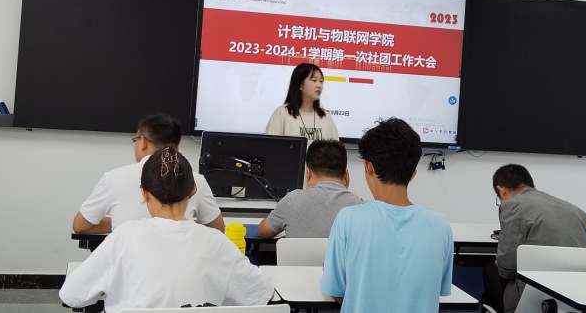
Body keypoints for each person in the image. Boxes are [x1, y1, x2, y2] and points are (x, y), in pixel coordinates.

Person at [60, 146, 274, 311]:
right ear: (192, 191)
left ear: (144, 193)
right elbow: (263, 293)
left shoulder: (125, 236)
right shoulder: (216, 241)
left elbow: (71, 295)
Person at [320, 118, 453, 313]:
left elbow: (337, 292)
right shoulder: (440, 225)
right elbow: (434, 290)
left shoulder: (348, 219)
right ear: (413, 174)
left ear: (368, 167)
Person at [72, 113, 224, 234]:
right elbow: (217, 229)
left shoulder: (113, 178)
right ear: (176, 148)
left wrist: (123, 223)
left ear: (143, 142)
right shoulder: (196, 180)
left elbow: (80, 226)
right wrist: (187, 224)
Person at [482, 164, 586, 313]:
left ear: (502, 190)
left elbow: (507, 269)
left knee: (490, 270)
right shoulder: (576, 210)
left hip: (539, 299)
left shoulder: (512, 205)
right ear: (533, 186)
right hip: (581, 298)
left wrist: (500, 262)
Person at [257, 139, 362, 239]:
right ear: (346, 175)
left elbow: (262, 231)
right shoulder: (361, 207)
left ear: (308, 173)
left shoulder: (292, 200)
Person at [266, 63, 339, 143]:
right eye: (314, 80)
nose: (319, 85)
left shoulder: (326, 117)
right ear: (300, 85)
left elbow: (336, 149)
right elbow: (271, 146)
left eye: (321, 81)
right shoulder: (282, 113)